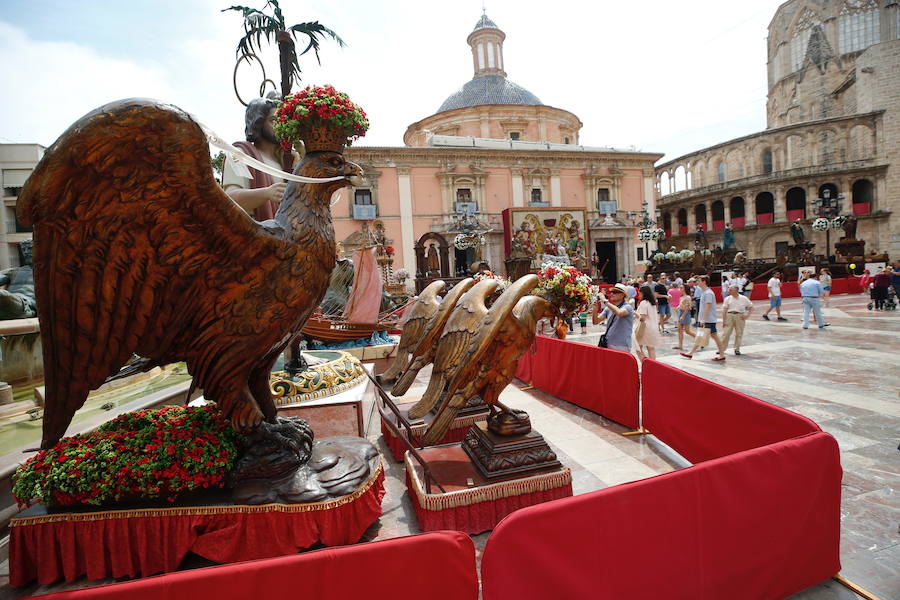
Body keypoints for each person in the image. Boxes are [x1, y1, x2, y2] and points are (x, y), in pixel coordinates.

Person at [223, 97, 299, 220]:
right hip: (250, 233)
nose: (279, 125)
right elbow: (229, 200)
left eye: (282, 120)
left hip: (284, 234)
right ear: (258, 122)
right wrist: (266, 193)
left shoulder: (285, 162)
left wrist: (296, 167)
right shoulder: (239, 155)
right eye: (273, 120)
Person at [681, 275, 726, 361]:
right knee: (709, 336)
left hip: (707, 320)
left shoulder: (708, 293)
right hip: (707, 320)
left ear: (704, 282)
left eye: (699, 281)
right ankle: (722, 355)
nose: (697, 283)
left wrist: (703, 319)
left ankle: (690, 353)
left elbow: (708, 307)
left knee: (701, 336)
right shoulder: (705, 292)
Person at [592, 283, 634, 353]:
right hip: (608, 343)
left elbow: (619, 313)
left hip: (622, 345)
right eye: (611, 292)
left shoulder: (628, 307)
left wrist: (605, 301)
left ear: (622, 295)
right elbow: (595, 322)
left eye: (615, 292)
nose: (612, 294)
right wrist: (595, 310)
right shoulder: (608, 309)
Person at [720, 285, 753, 355]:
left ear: (736, 290)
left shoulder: (744, 298)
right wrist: (724, 320)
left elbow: (751, 307)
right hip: (729, 315)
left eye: (730, 289)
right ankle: (722, 348)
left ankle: (737, 349)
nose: (729, 291)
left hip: (740, 316)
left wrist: (747, 316)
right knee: (726, 333)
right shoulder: (727, 298)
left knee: (739, 333)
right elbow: (724, 310)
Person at [634, 285, 662, 361]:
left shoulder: (643, 303)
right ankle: (653, 365)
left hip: (645, 328)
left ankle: (645, 363)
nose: (639, 295)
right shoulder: (652, 303)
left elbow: (642, 318)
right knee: (651, 348)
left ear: (643, 293)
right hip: (653, 327)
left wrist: (635, 313)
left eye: (639, 294)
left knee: (638, 347)